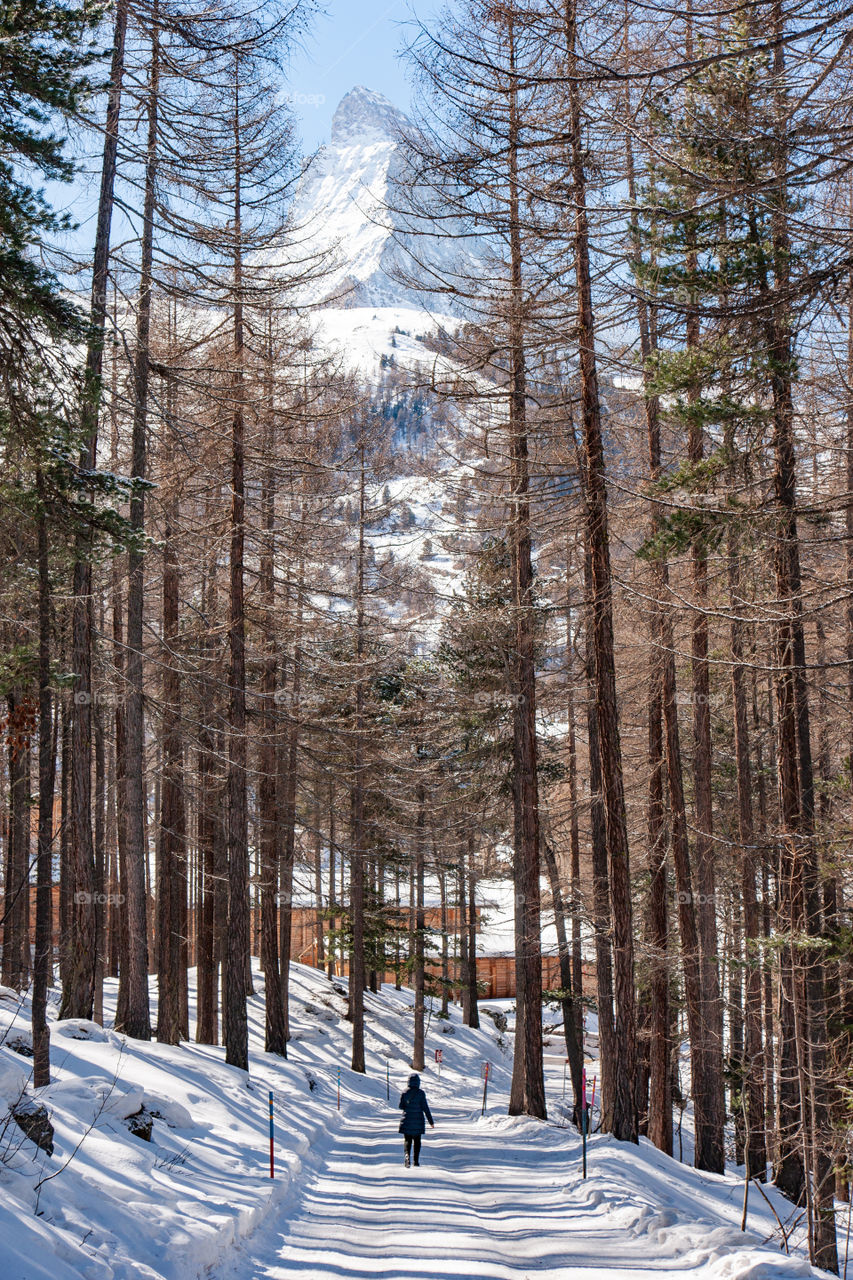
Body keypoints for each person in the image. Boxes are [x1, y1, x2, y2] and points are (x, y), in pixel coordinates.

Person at [398, 1072, 434, 1167]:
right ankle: (416, 1161)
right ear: (418, 1082)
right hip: (418, 1121)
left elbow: (401, 1106)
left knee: (407, 1140)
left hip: (407, 1120)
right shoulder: (421, 1093)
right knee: (417, 1141)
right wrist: (431, 1122)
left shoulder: (404, 1092)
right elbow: (425, 1108)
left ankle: (407, 1156)